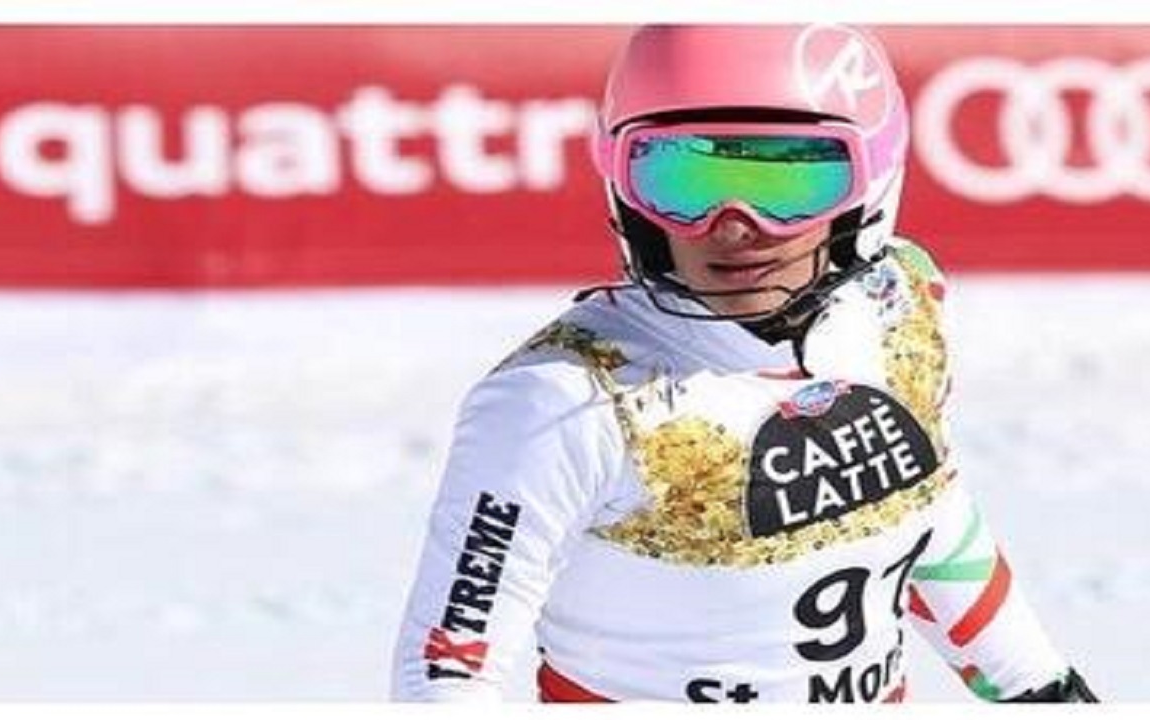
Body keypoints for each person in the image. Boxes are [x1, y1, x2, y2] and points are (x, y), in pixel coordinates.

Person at [391, 24, 1098, 703]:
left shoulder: (900, 306)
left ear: (870, 189)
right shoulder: (564, 399)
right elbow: (448, 671)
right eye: (681, 179)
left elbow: (924, 515)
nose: (733, 228)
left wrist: (1037, 684)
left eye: (791, 185)